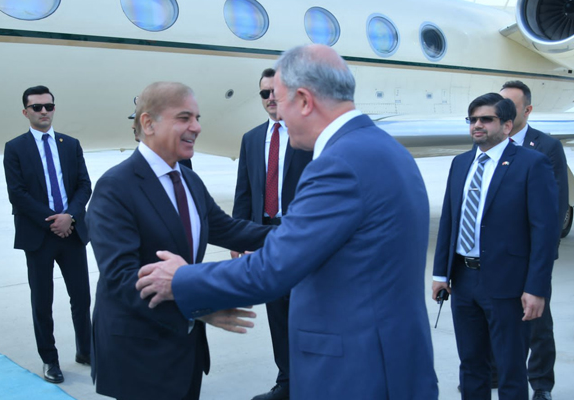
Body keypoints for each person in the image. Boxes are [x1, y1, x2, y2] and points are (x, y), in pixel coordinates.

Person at [136, 45, 439, 399]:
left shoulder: (338, 164)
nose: (276, 112)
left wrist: (181, 279)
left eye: (279, 101)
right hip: (392, 359)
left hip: (356, 372)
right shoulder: (385, 149)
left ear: (305, 101)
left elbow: (272, 269)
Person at [87, 81, 271, 400]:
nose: (197, 127)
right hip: (140, 356)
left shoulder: (188, 179)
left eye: (197, 118)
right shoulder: (115, 188)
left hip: (185, 352)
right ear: (148, 123)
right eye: (184, 118)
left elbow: (232, 230)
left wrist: (306, 232)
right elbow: (121, 280)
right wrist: (198, 308)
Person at [432, 93, 558, 400]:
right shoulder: (461, 163)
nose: (477, 125)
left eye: (486, 119)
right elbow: (450, 218)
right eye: (472, 119)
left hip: (508, 284)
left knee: (510, 367)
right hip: (464, 280)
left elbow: (545, 231)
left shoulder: (532, 164)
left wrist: (536, 288)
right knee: (472, 365)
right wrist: (440, 273)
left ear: (506, 125)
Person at [232, 67, 312, 400]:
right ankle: (288, 382)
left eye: (275, 93)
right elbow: (244, 192)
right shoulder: (251, 139)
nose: (270, 99)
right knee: (276, 310)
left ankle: (312, 382)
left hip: (300, 235)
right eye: (264, 93)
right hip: (264, 233)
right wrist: (238, 238)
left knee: (305, 309)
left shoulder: (307, 137)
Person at [3, 85, 92, 384]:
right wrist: (53, 221)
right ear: (25, 111)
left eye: (49, 106)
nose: (44, 112)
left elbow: (84, 185)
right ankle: (50, 360)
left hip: (73, 234)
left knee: (81, 298)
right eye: (37, 107)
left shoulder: (71, 144)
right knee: (42, 302)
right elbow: (17, 194)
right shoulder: (15, 148)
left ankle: (86, 351)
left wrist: (71, 216)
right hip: (39, 236)